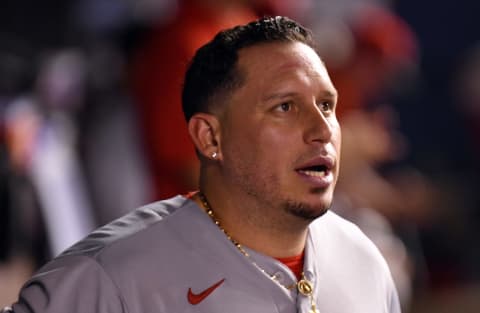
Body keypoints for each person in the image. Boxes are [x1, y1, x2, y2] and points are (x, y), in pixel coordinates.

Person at [5, 16, 401, 313]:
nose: (322, 129)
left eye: (327, 106)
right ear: (210, 138)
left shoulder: (364, 262)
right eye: (285, 107)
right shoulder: (110, 277)